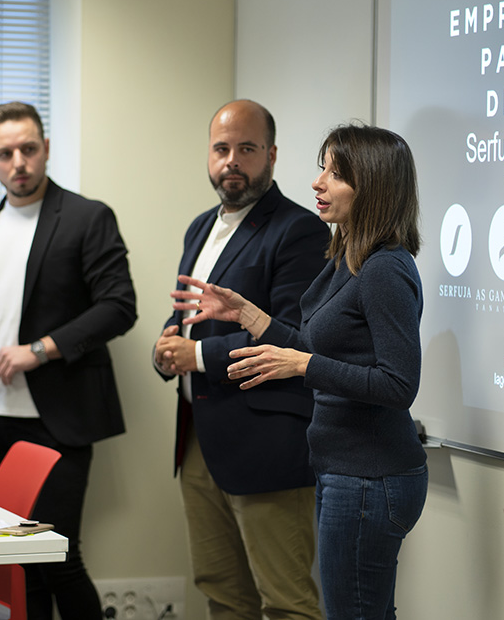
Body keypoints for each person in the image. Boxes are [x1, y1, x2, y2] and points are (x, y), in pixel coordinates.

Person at [174, 124, 428, 620]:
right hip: (341, 470)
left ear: (373, 186)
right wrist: (250, 316)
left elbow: (398, 384)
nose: (318, 182)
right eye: (322, 169)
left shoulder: (385, 269)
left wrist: (304, 365)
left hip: (370, 476)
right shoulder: (347, 259)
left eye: (336, 174)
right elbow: (314, 347)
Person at [0, 101, 136, 620]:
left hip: (59, 421)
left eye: (28, 149)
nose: (19, 162)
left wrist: (38, 350)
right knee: (10, 562)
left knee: (58, 558)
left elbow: (119, 306)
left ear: (46, 148)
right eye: (5, 153)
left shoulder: (87, 217)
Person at [153, 99, 328, 620]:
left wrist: (195, 354)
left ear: (271, 155)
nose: (232, 160)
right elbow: (189, 314)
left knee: (286, 602)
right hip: (198, 440)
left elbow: (295, 338)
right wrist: (167, 348)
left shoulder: (299, 230)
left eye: (246, 148)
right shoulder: (199, 227)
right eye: (222, 148)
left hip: (266, 443)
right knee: (222, 593)